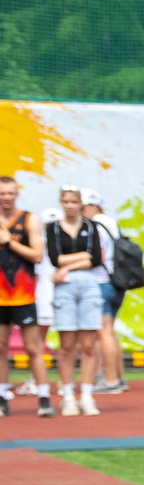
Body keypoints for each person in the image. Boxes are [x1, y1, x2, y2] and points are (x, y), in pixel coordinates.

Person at [47, 185, 111, 417]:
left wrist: (70, 265)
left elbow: (94, 258)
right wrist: (79, 258)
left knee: (88, 344)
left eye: (74, 202)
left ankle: (86, 394)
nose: (70, 206)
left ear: (80, 204)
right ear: (61, 203)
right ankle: (67, 395)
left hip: (88, 284)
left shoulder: (91, 226)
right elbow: (56, 258)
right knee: (66, 345)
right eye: (66, 202)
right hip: (64, 286)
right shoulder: (53, 228)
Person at [83, 190, 128, 395]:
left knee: (104, 332)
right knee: (109, 331)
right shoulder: (110, 222)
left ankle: (111, 380)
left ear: (91, 206)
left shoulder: (96, 225)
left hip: (102, 282)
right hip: (116, 282)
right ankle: (118, 377)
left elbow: (97, 256)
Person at [0, 176, 38, 413]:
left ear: (16, 194)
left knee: (33, 348)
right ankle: (2, 395)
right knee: (0, 346)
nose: (6, 197)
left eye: (10, 193)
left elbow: (38, 255)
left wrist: (8, 242)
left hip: (23, 294)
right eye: (2, 193)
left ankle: (43, 397)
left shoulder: (28, 219)